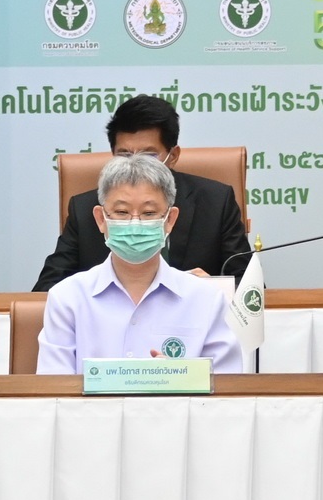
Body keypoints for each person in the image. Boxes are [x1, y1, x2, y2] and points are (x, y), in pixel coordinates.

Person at [37, 155, 245, 374]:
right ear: (101, 219)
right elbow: (54, 387)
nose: (135, 224)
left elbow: (227, 387)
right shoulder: (67, 298)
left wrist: (181, 379)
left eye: (149, 213)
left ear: (170, 220)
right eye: (122, 212)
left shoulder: (206, 300)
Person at [35, 95, 251, 291]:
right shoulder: (85, 208)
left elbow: (250, 287)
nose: (136, 163)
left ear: (173, 155)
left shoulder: (216, 201)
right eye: (124, 154)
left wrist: (213, 288)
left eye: (148, 155)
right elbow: (46, 290)